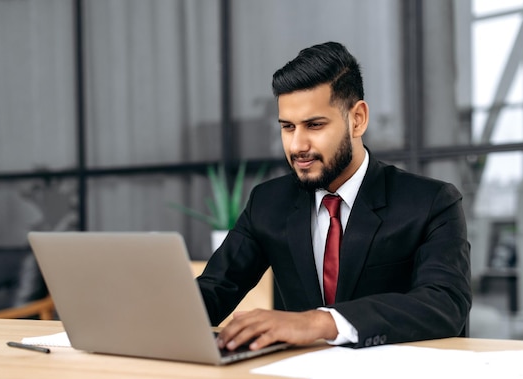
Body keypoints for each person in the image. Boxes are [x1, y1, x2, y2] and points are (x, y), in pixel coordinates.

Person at [197, 41, 471, 352]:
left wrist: (319, 322)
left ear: (357, 119)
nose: (297, 145)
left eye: (314, 125)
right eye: (288, 127)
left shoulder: (432, 202)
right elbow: (215, 289)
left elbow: (445, 304)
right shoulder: (268, 202)